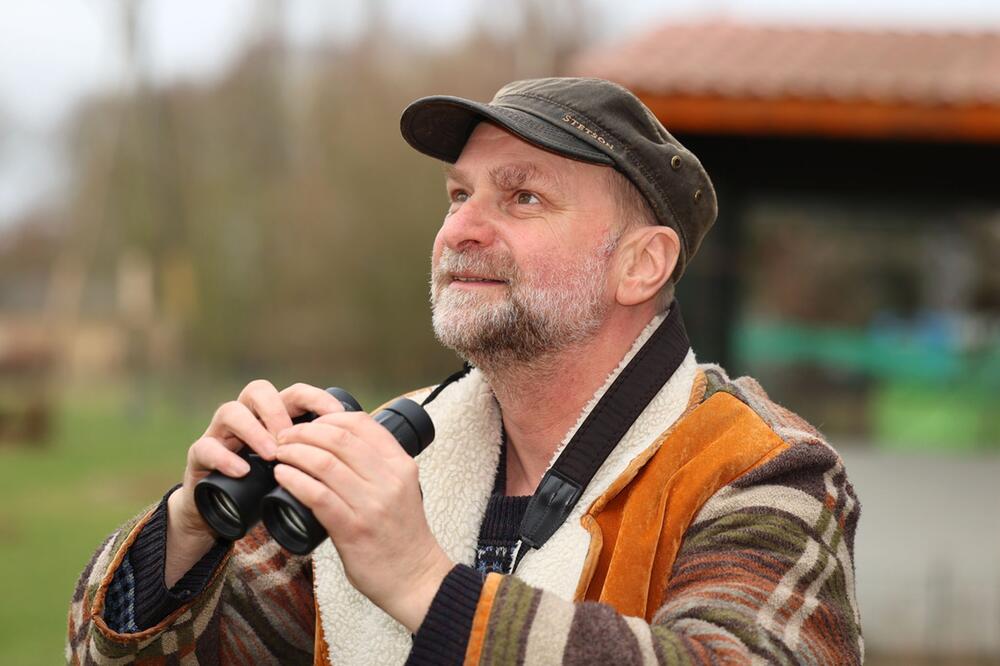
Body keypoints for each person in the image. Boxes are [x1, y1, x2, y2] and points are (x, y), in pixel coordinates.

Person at [68, 77, 862, 665]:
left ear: (640, 264)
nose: (460, 230)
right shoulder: (407, 442)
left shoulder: (762, 468)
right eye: (457, 194)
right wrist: (190, 531)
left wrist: (420, 582)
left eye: (521, 198)